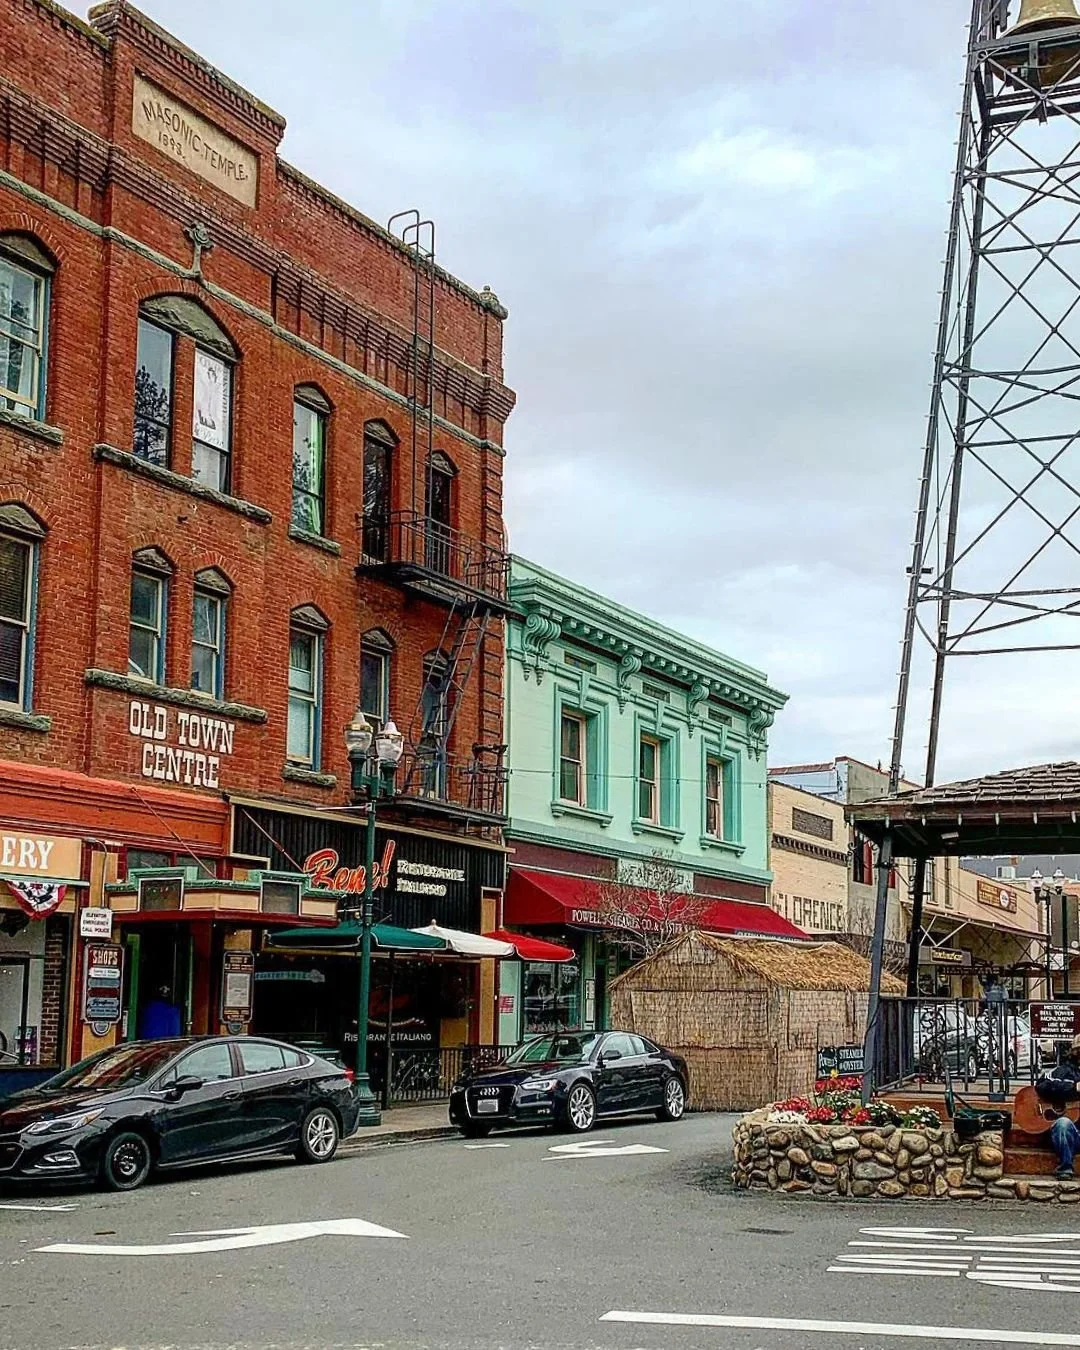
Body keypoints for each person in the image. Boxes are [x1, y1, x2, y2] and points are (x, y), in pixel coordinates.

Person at [1036, 1034, 1080, 1178]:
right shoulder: (1062, 1071)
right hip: (1067, 1135)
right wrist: (1073, 1087)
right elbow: (1041, 1085)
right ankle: (1065, 1168)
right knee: (1063, 1123)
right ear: (1075, 1052)